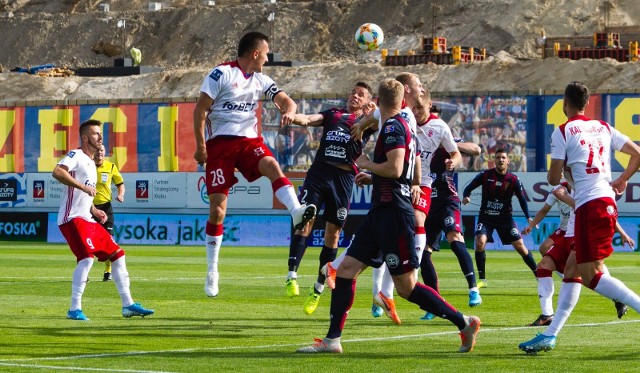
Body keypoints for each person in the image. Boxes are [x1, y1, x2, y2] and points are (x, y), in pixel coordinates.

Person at [296, 79, 480, 354]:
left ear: (379, 103)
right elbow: (410, 166)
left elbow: (395, 168)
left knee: (406, 287)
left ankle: (463, 322)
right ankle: (332, 340)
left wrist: (366, 163)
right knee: (345, 270)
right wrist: (374, 178)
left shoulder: (394, 127)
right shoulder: (404, 120)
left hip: (395, 214)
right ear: (403, 101)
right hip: (381, 211)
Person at [519, 81, 640, 353]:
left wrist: (563, 176)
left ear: (565, 103)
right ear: (586, 104)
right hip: (601, 202)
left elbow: (552, 177)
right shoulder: (604, 127)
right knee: (573, 269)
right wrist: (621, 179)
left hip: (590, 206)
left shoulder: (563, 131)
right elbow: (637, 154)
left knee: (591, 275)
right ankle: (550, 334)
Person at [193, 32, 317, 297]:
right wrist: (201, 146)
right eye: (267, 52)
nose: (269, 57)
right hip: (220, 145)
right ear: (256, 53)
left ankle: (296, 211)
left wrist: (289, 110)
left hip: (249, 141)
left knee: (272, 164)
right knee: (218, 212)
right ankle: (212, 270)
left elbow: (286, 100)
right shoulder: (221, 74)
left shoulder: (261, 79)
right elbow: (200, 110)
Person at [283, 82, 376, 316]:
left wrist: (372, 112)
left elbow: (388, 115)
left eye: (361, 94)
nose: (354, 95)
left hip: (344, 179)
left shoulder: (369, 122)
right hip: (319, 172)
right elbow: (308, 119)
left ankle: (318, 288)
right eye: (353, 92)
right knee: (306, 218)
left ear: (368, 101)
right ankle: (291, 275)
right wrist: (291, 116)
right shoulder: (333, 114)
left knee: (333, 234)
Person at [52, 119, 153, 321]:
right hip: (71, 218)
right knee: (86, 258)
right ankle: (74, 309)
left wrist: (94, 209)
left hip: (87, 218)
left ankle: (128, 305)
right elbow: (57, 172)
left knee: (118, 254)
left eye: (100, 133)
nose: (100, 137)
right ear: (85, 137)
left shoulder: (91, 163)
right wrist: (83, 187)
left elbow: (84, 194)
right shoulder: (77, 155)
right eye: (96, 133)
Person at [522, 184, 632, 328]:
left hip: (583, 231)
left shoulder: (588, 187)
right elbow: (544, 210)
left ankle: (617, 298)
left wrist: (623, 233)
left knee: (593, 270)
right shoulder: (558, 188)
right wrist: (532, 224)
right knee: (544, 261)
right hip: (565, 232)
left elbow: (590, 209)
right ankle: (547, 314)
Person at [420, 104, 483, 321]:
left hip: (447, 199)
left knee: (455, 238)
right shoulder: (417, 137)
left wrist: (454, 148)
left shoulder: (445, 136)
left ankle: (473, 288)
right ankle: (434, 302)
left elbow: (476, 149)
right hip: (427, 200)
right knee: (422, 251)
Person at [462, 149, 537, 288]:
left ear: (508, 161)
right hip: (486, 217)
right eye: (498, 158)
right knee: (480, 242)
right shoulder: (485, 175)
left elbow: (522, 198)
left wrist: (528, 217)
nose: (500, 160)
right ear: (494, 160)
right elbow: (469, 187)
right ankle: (482, 280)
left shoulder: (513, 179)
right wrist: (466, 196)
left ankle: (538, 274)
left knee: (520, 246)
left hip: (505, 219)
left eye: (503, 157)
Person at [93, 144, 125, 282]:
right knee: (86, 241)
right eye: (97, 150)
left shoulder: (111, 167)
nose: (99, 152)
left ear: (104, 153)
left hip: (106, 207)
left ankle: (108, 271)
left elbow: (120, 183)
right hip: (89, 208)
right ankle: (84, 273)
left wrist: (121, 194)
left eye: (102, 150)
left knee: (109, 240)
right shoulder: (87, 166)